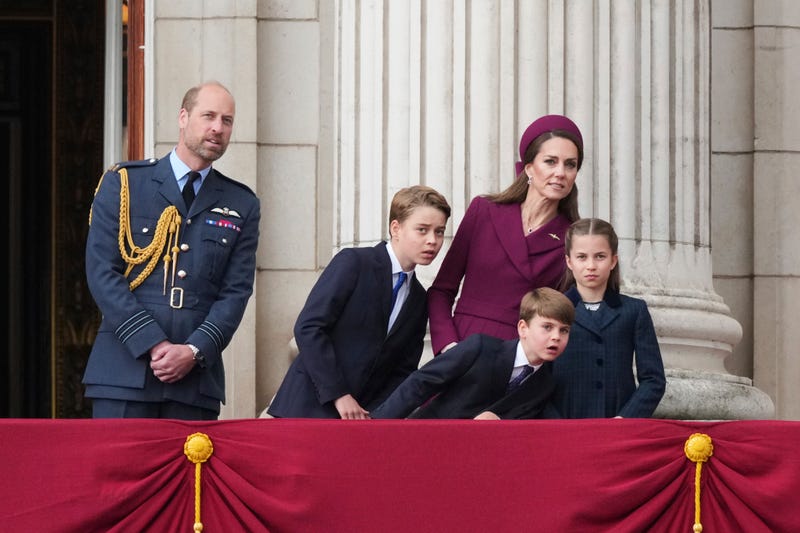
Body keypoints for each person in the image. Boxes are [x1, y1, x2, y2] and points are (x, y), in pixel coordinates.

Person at [83, 81, 260, 420]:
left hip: (195, 382)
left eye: (227, 121)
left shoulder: (242, 203)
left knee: (190, 476)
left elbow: (236, 292)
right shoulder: (125, 183)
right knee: (121, 474)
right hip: (124, 372)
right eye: (208, 116)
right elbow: (102, 273)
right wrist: (154, 344)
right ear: (183, 117)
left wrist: (194, 350)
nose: (217, 128)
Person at [267, 185, 452, 419]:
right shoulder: (354, 263)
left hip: (362, 420)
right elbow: (309, 327)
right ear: (396, 228)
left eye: (439, 232)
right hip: (307, 407)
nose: (432, 241)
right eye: (422, 230)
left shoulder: (419, 297)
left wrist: (379, 414)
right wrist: (339, 394)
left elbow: (402, 369)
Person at [427, 114, 584, 356]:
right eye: (551, 161)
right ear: (529, 168)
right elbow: (441, 291)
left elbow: (567, 316)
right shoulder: (484, 211)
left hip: (520, 359)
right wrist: (449, 348)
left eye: (570, 164)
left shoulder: (573, 238)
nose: (561, 172)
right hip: (463, 348)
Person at [370, 287, 574, 419]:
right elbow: (422, 382)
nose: (556, 336)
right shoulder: (481, 347)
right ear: (523, 328)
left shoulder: (544, 384)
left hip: (478, 464)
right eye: (547, 327)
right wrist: (377, 427)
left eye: (563, 330)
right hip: (428, 439)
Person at [550, 218, 666, 418]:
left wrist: (625, 419)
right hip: (563, 425)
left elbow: (654, 379)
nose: (591, 265)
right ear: (569, 261)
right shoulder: (551, 310)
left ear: (613, 260)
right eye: (582, 257)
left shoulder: (634, 310)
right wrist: (555, 423)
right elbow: (536, 377)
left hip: (617, 424)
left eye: (600, 256)